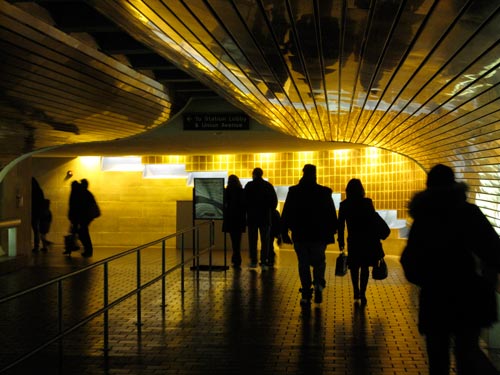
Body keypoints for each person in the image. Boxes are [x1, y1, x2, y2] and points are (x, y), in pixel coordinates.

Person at [401, 164, 500, 375]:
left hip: (435, 297)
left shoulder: (424, 219)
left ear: (428, 186)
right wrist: (486, 280)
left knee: (438, 359)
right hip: (468, 295)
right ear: (453, 185)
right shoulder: (469, 214)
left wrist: (426, 281)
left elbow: (410, 260)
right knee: (467, 355)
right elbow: (493, 250)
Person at [281, 164, 338, 305]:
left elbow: (287, 212)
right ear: (315, 174)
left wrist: (284, 232)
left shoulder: (294, 191)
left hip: (300, 234)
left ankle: (306, 292)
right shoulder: (323, 192)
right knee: (319, 261)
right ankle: (318, 284)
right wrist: (333, 230)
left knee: (303, 263)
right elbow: (331, 213)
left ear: (303, 173)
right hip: (318, 235)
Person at [337, 178, 384, 305]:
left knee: (354, 267)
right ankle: (362, 292)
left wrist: (340, 241)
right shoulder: (367, 202)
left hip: (353, 240)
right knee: (364, 267)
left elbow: (340, 225)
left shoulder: (344, 205)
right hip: (367, 240)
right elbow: (373, 221)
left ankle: (356, 290)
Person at [244, 167, 278, 269]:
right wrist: (269, 211)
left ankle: (254, 261)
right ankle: (263, 262)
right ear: (261, 174)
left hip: (252, 218)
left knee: (253, 240)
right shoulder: (268, 186)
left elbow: (244, 201)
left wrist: (248, 211)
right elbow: (274, 202)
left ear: (253, 174)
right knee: (265, 241)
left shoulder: (249, 186)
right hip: (265, 218)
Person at [222, 174, 246, 268]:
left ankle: (236, 256)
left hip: (230, 218)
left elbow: (224, 203)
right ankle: (237, 256)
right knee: (238, 239)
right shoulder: (241, 191)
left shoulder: (227, 191)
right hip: (239, 218)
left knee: (233, 239)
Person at [77, 179, 101, 257]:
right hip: (87, 216)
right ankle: (88, 250)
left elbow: (83, 206)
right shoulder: (88, 194)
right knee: (83, 232)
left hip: (85, 216)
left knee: (83, 232)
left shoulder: (85, 194)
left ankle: (88, 250)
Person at [64, 180, 81, 254]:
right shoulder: (78, 193)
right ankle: (72, 247)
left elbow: (72, 206)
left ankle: (71, 247)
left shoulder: (74, 194)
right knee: (75, 232)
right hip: (76, 216)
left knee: (74, 232)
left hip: (75, 216)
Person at [31, 177, 45, 253]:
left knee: (36, 229)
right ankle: (38, 245)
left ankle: (37, 246)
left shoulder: (31, 191)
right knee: (37, 230)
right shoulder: (39, 191)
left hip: (33, 212)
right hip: (38, 213)